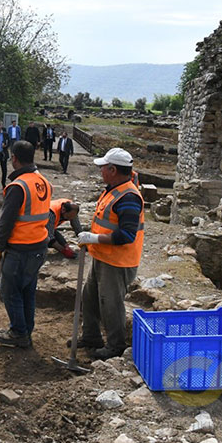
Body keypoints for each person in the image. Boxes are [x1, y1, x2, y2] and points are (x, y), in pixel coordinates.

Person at [76, 147, 145, 360]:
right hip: (103, 256)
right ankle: (91, 336)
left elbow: (126, 235)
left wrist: (94, 238)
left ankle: (115, 346)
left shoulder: (129, 197)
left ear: (113, 169)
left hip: (118, 262)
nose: (101, 171)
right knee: (90, 297)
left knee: (110, 304)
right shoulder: (113, 189)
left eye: (104, 168)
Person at [0, 140, 53, 347]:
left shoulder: (18, 186)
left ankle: (18, 332)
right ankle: (26, 329)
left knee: (10, 291)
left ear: (14, 158)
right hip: (38, 247)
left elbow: (6, 221)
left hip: (19, 249)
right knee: (27, 290)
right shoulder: (43, 181)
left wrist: (0, 246)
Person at [0, 121, 9, 190]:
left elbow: (8, 143)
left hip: (3, 154)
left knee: (4, 170)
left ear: (1, 126)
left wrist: (5, 145)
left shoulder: (5, 134)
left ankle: (3, 184)